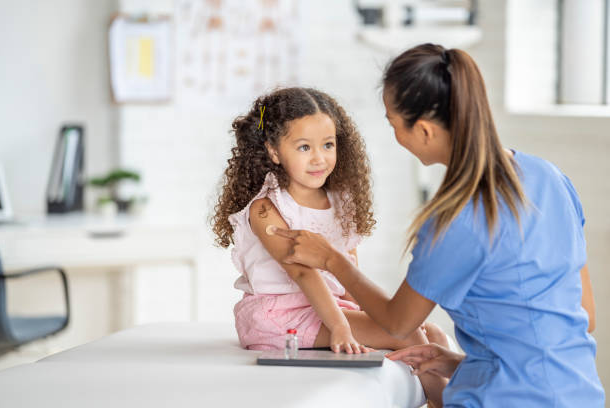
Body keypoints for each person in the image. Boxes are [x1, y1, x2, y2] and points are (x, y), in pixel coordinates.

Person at [267, 45, 605, 407]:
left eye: (394, 124)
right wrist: (467, 364)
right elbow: (583, 316)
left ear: (425, 131)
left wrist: (333, 260)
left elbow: (397, 322)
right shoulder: (549, 177)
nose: (396, 136)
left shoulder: (454, 219)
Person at [211, 87, 448, 406]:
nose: (319, 157)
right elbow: (304, 275)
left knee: (431, 334)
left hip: (324, 307)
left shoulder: (340, 202)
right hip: (279, 313)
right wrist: (340, 327)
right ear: (274, 151)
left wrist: (365, 316)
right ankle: (449, 403)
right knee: (406, 336)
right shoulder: (266, 209)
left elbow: (348, 274)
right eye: (304, 147)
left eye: (328, 145)